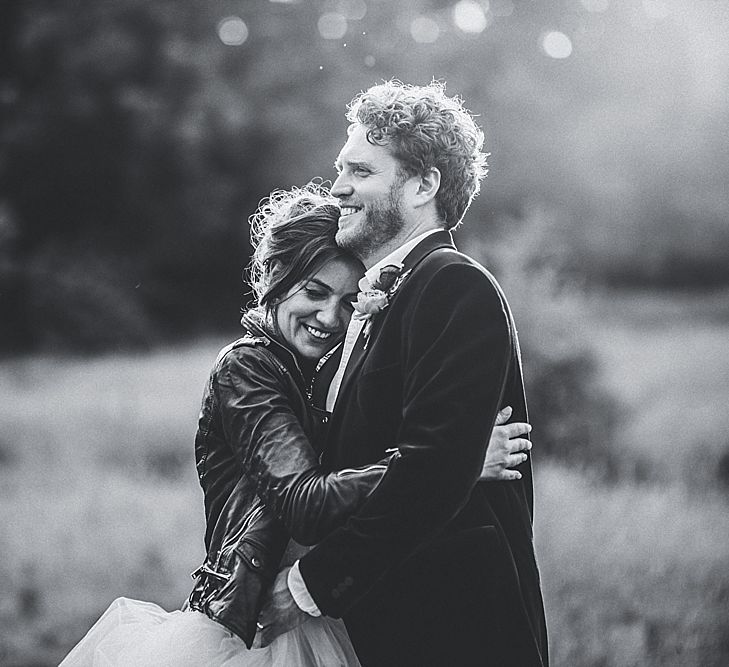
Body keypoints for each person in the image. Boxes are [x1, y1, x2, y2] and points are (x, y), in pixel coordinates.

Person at [59, 184, 532, 666]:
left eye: (350, 302)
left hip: (325, 617)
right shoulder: (247, 371)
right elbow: (306, 503)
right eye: (314, 292)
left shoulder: (330, 375)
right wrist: (455, 462)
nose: (329, 317)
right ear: (273, 277)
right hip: (254, 629)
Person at [259, 82, 549, 666]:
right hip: (386, 623)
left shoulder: (453, 284)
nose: (337, 187)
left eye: (360, 171)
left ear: (423, 185)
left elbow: (432, 468)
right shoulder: (375, 300)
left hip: (457, 628)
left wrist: (306, 587)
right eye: (341, 169)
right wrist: (465, 457)